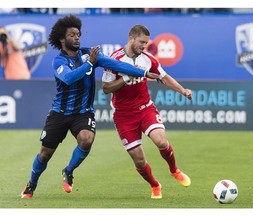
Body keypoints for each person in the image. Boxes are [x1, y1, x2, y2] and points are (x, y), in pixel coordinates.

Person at [20, 15, 158, 199]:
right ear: (62, 39)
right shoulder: (59, 61)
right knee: (45, 154)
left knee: (86, 139)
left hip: (83, 113)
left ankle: (68, 171)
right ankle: (31, 184)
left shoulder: (89, 54)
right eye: (72, 35)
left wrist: (144, 72)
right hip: (59, 113)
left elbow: (117, 64)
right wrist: (90, 64)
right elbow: (69, 79)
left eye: (78, 34)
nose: (77, 37)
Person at [102, 24, 192, 199]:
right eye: (142, 42)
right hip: (123, 115)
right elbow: (106, 88)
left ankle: (174, 170)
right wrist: (126, 78)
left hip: (145, 109)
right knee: (139, 159)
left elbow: (164, 77)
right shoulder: (115, 60)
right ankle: (155, 185)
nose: (144, 46)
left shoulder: (148, 59)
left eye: (146, 43)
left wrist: (182, 90)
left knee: (161, 141)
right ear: (131, 38)